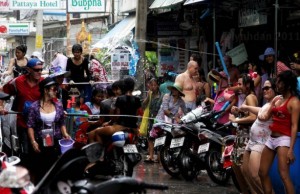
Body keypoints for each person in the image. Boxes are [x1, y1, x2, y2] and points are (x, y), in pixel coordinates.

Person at [258, 71, 299, 194]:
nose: (277, 84)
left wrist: (291, 149)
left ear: (288, 85)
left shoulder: (294, 102)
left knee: (284, 175)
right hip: (271, 138)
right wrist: (272, 103)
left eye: (280, 82)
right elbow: (264, 117)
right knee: (262, 172)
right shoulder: (278, 99)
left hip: (284, 139)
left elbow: (294, 126)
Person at [27, 77, 70, 184]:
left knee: (54, 168)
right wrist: (33, 141)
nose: (56, 91)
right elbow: (30, 126)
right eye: (54, 89)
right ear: (46, 90)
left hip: (55, 142)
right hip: (40, 142)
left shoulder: (58, 105)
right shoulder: (34, 107)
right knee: (40, 169)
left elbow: (61, 122)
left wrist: (65, 133)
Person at [238, 78, 276, 194]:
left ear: (275, 89)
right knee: (245, 171)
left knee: (255, 175)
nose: (264, 90)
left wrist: (247, 108)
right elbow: (261, 110)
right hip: (252, 141)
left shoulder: (277, 101)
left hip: (261, 142)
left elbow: (263, 115)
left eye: (267, 88)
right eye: (263, 88)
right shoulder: (268, 103)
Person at [2, 58, 44, 159]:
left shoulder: (44, 82)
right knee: (26, 153)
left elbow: (53, 98)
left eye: (41, 70)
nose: (39, 72)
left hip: (40, 123)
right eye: (36, 70)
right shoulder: (18, 81)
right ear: (29, 70)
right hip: (23, 123)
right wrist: (0, 106)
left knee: (40, 153)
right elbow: (3, 91)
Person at [88, 77, 141, 145]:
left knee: (98, 132)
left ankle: (101, 155)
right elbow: (137, 115)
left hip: (119, 127)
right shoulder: (137, 99)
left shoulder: (119, 99)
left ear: (123, 87)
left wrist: (110, 122)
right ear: (133, 87)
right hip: (134, 128)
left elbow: (115, 116)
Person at [229, 74, 258, 194]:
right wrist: (239, 110)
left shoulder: (250, 97)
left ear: (247, 85)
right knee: (235, 164)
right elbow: (248, 112)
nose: (238, 87)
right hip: (241, 136)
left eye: (240, 84)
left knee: (242, 167)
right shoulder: (248, 97)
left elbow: (253, 117)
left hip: (246, 137)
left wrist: (236, 120)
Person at [143, 78, 163, 163]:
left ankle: (159, 157)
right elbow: (143, 104)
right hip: (151, 119)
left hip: (159, 120)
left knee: (159, 138)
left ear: (158, 86)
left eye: (155, 85)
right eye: (152, 85)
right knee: (150, 138)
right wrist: (148, 96)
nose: (153, 87)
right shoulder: (150, 95)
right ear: (149, 86)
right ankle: (151, 156)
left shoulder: (162, 95)